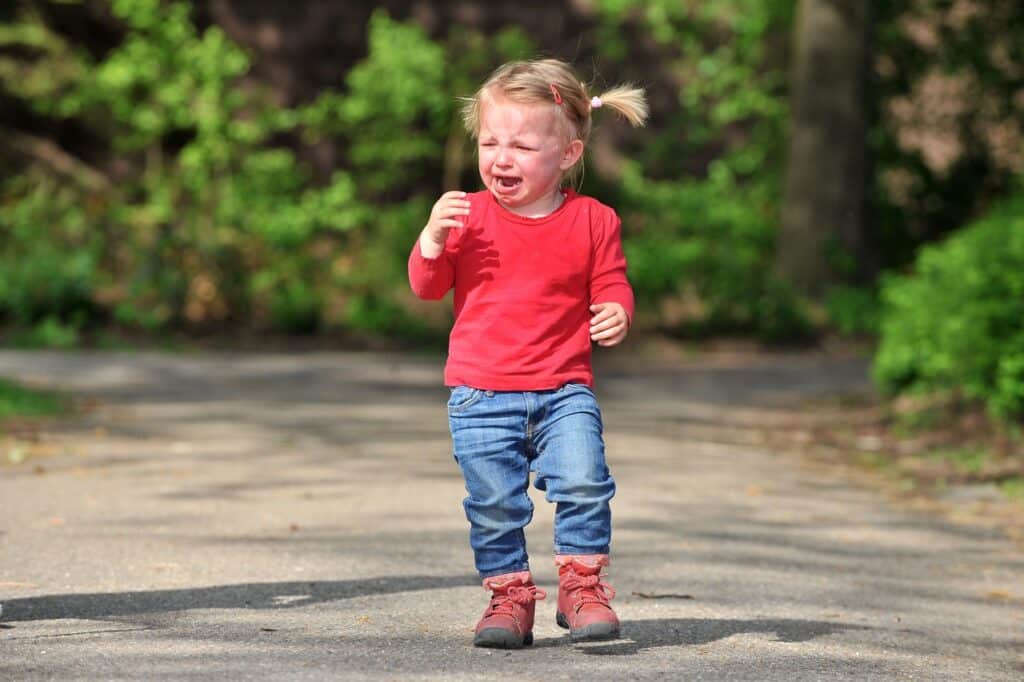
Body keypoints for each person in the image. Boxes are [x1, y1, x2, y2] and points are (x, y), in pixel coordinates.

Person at [408, 58, 648, 649]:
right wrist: (431, 238)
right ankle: (508, 599)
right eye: (490, 141)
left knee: (586, 483)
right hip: (480, 393)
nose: (501, 157)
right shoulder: (466, 216)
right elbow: (426, 286)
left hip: (564, 390)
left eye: (521, 144)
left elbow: (611, 281)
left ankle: (582, 588)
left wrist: (617, 308)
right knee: (494, 503)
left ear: (568, 153)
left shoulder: (594, 220)